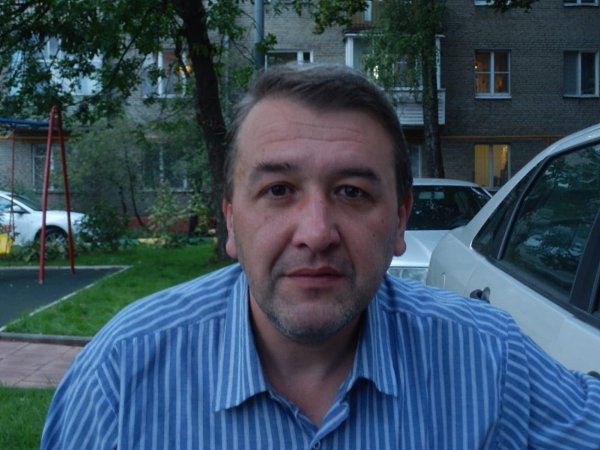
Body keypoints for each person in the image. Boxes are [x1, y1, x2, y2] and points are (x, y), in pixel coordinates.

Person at [41, 64, 600, 450]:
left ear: (400, 220)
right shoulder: (121, 376)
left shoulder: (490, 359)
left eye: (352, 192)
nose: (316, 233)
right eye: (279, 190)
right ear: (231, 220)